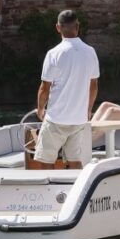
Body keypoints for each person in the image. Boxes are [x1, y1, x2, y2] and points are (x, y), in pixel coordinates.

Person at [34, 10, 99, 169]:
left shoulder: (54, 53)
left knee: (45, 161)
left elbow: (45, 88)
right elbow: (94, 85)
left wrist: (41, 109)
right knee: (75, 160)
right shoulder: (90, 52)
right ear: (78, 26)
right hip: (78, 119)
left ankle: (49, 192)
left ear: (58, 27)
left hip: (56, 118)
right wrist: (88, 109)